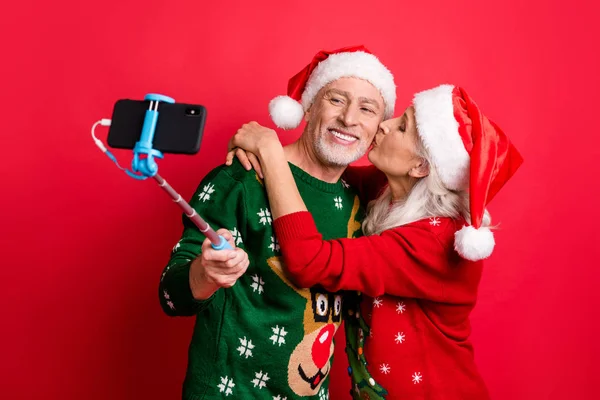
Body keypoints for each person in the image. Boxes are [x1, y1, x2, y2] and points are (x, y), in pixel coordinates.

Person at [227, 84, 523, 399]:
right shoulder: (388, 190)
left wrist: (271, 153)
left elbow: (308, 261)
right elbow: (317, 173)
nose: (384, 124)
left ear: (420, 167)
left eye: (402, 126)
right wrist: (262, 153)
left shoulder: (435, 241)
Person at [158, 45, 396, 399]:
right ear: (309, 106)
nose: (349, 119)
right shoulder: (241, 178)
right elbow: (170, 295)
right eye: (336, 100)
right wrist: (204, 274)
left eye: (366, 108)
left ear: (378, 126)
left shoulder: (365, 200)